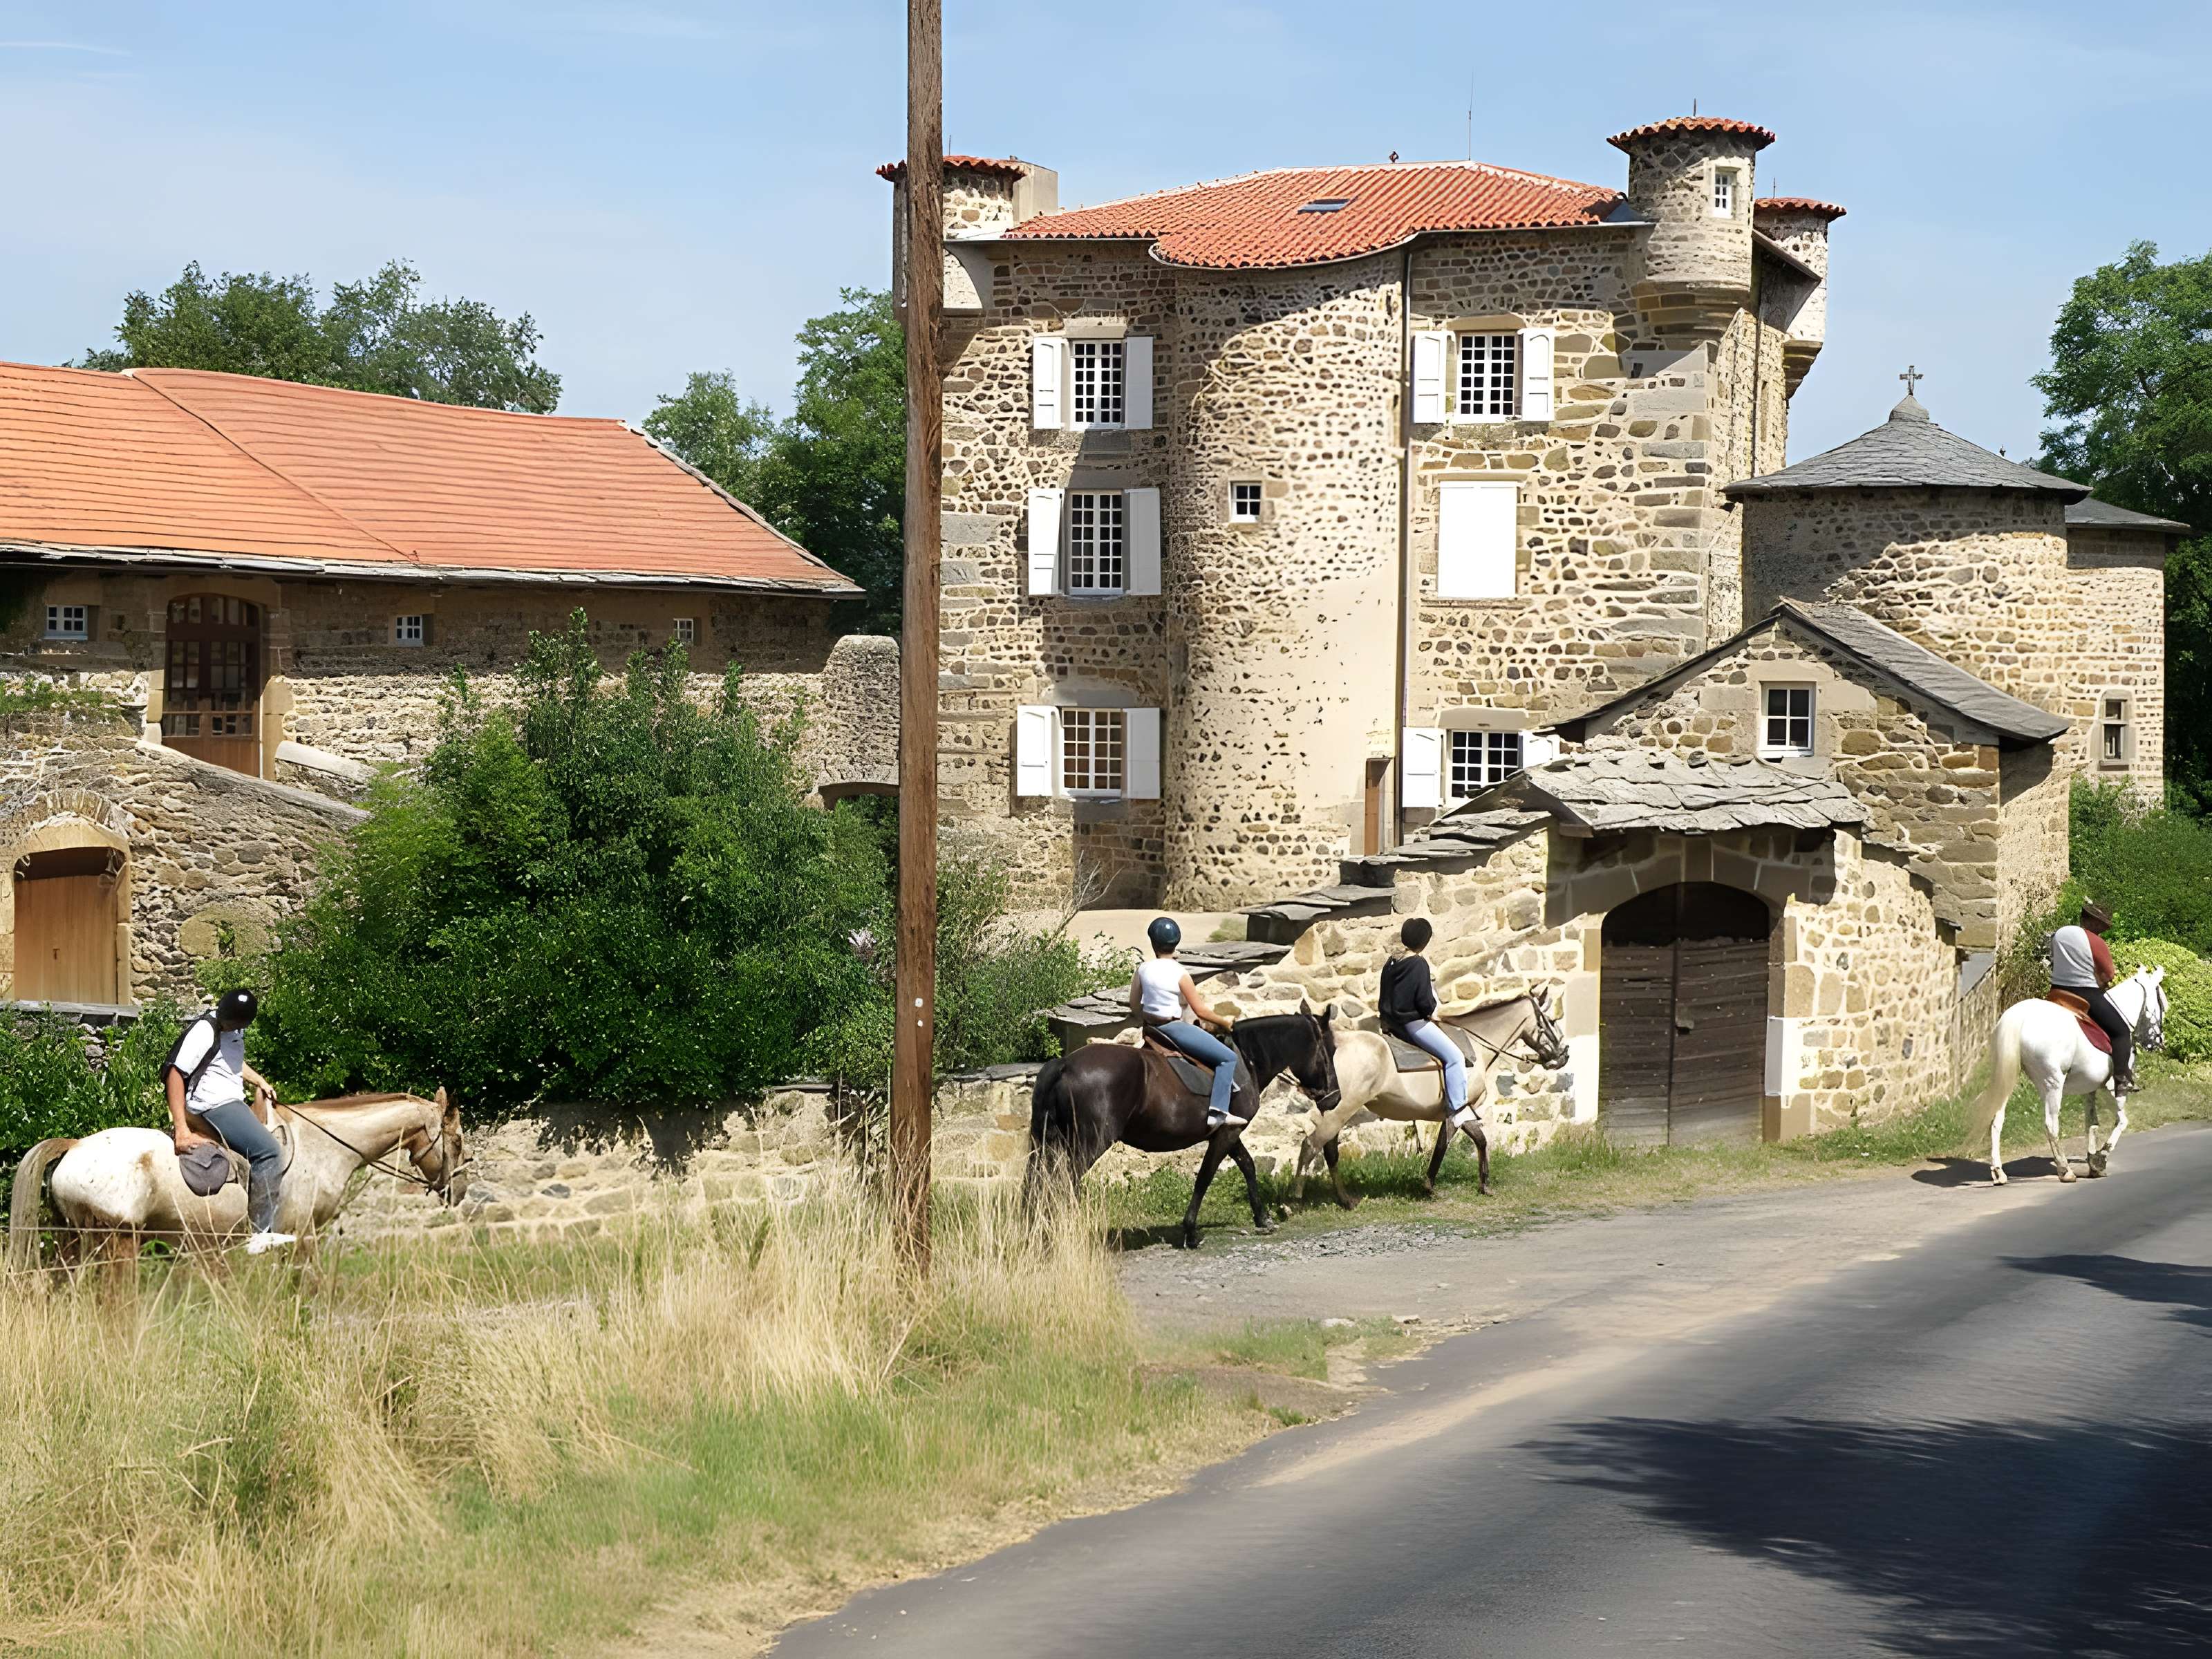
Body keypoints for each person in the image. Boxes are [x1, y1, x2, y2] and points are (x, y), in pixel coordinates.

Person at [167, 988, 297, 1254]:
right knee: (269, 1151)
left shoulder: (236, 1028)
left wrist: (258, 1080)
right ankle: (260, 1234)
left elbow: (231, 1062)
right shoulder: (204, 1031)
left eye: (236, 1025)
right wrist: (181, 1128)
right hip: (212, 1105)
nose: (231, 1027)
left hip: (231, 1099)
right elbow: (175, 1073)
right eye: (229, 1023)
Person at [1129, 917, 1247, 1130]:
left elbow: (1134, 1004)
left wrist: (1146, 1018)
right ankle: (1218, 1112)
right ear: (1175, 944)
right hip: (1173, 1028)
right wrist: (1225, 1022)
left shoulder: (1143, 969)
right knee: (1228, 1058)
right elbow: (1201, 1011)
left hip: (1151, 1028)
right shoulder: (1181, 973)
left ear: (1153, 942)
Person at [1380, 917, 1475, 1130]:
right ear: (1424, 942)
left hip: (1392, 1024)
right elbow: (1425, 1003)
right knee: (1455, 1058)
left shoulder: (1391, 962)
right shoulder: (1419, 964)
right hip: (1413, 1025)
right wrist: (1433, 1010)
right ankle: (1458, 1110)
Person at [2050, 901, 2135, 1094]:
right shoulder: (2096, 942)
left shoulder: (2060, 934)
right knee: (2121, 1032)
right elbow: (2109, 974)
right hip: (2086, 994)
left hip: (2056, 991)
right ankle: (2122, 1079)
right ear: (2094, 922)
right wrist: (2101, 980)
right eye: (2101, 926)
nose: (2102, 931)